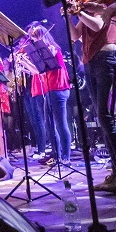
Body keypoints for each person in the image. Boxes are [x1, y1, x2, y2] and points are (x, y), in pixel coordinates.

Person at [69, 0, 116, 194]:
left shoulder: (103, 3)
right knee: (107, 120)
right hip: (92, 61)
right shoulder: (87, 8)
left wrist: (79, 12)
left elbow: (100, 25)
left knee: (108, 118)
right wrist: (69, 16)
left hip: (106, 59)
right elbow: (75, 36)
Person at [23, 24, 75, 166]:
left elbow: (48, 66)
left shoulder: (52, 49)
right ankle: (57, 156)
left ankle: (66, 157)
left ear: (43, 36)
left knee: (60, 124)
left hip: (58, 88)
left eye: (36, 37)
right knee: (49, 123)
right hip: (49, 89)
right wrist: (25, 61)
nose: (34, 40)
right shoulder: (44, 51)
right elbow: (40, 71)